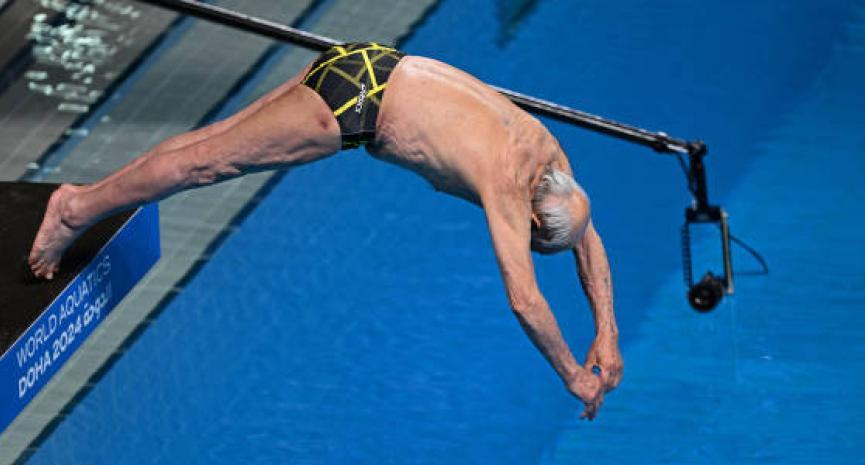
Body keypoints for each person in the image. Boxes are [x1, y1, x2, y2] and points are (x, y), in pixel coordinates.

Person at [27, 42, 622, 419]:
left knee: (206, 148)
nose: (530, 242)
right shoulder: (508, 187)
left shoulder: (553, 161)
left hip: (371, 62)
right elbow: (524, 300)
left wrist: (608, 334)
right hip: (355, 107)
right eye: (536, 240)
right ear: (534, 217)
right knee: (206, 164)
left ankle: (83, 202)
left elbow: (587, 240)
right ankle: (75, 209)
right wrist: (571, 372)